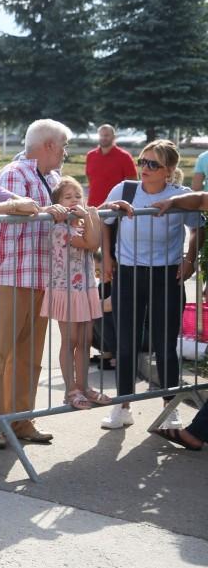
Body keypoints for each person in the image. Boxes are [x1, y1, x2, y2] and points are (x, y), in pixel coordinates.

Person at [0, 119, 71, 446]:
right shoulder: (15, 174)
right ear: (48, 145)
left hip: (39, 277)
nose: (65, 153)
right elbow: (5, 218)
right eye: (63, 146)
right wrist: (48, 211)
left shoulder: (52, 178)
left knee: (28, 357)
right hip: (9, 276)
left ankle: (21, 421)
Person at [99, 140, 202, 431]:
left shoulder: (181, 196)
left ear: (168, 171)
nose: (144, 168)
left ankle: (170, 410)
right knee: (126, 342)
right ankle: (122, 407)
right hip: (129, 274)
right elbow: (105, 222)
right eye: (142, 161)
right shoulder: (125, 189)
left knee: (165, 345)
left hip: (166, 276)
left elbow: (197, 228)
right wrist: (107, 257)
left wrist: (190, 258)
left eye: (152, 164)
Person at [39, 177, 112, 410]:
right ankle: (71, 390)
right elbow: (92, 243)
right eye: (68, 197)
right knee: (69, 340)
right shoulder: (61, 230)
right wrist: (91, 215)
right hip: (66, 290)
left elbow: (94, 243)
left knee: (85, 340)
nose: (74, 201)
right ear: (58, 203)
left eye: (77, 196)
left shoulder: (80, 224)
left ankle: (84, 386)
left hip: (85, 288)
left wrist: (88, 216)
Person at [84, 124, 136, 208]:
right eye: (101, 135)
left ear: (114, 137)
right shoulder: (91, 155)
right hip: (93, 206)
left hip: (115, 208)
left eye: (106, 135)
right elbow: (90, 178)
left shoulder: (124, 157)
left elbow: (132, 182)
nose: (103, 138)